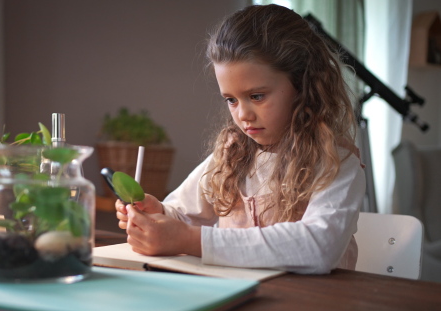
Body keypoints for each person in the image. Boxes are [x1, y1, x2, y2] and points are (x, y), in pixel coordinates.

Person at [115, 4, 365, 274]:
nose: (243, 114)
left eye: (257, 96)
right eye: (231, 100)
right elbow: (183, 213)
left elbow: (320, 246)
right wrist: (158, 215)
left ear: (302, 86)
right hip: (239, 303)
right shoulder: (232, 155)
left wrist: (188, 239)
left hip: (313, 308)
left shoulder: (336, 161)